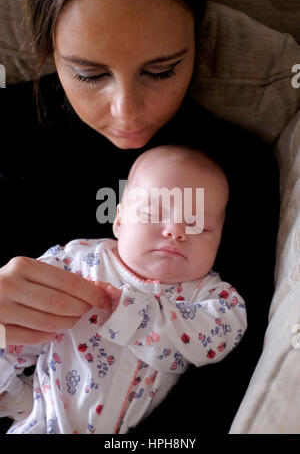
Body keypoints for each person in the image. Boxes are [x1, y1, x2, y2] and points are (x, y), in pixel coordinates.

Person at [0, 0, 279, 434]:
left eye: (162, 71)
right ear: (50, 48)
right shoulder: (7, 134)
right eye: (89, 74)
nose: (126, 113)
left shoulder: (235, 168)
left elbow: (235, 369)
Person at [0, 145, 247, 434]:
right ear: (119, 220)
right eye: (154, 214)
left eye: (199, 227)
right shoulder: (76, 262)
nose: (176, 231)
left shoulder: (208, 296)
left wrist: (139, 315)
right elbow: (20, 320)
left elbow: (221, 335)